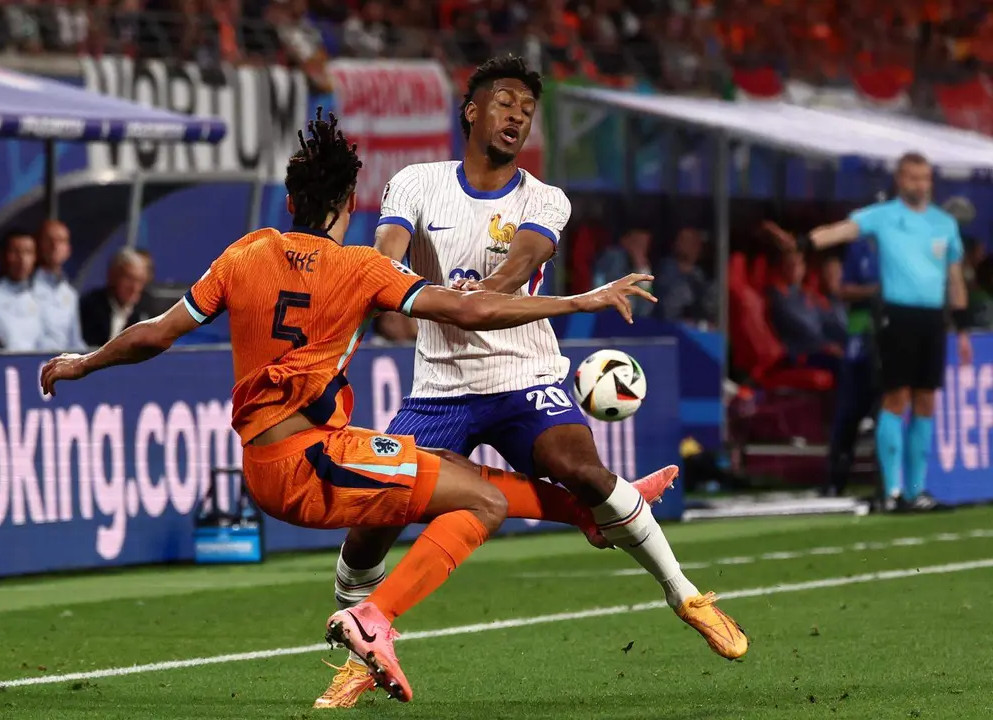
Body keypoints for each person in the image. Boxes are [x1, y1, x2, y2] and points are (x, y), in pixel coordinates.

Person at [40, 109, 672, 703]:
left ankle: (595, 512)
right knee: (484, 502)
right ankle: (373, 620)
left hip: (265, 465)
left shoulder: (246, 252)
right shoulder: (362, 268)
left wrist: (82, 363)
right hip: (314, 461)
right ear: (347, 206)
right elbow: (474, 309)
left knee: (476, 481)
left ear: (291, 202)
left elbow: (155, 332)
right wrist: (579, 302)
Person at [316, 55, 745, 708]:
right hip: (439, 389)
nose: (517, 115)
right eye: (505, 101)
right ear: (472, 110)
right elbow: (386, 259)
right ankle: (360, 648)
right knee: (372, 519)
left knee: (584, 472)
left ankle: (685, 595)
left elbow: (521, 264)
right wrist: (392, 285)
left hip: (526, 377)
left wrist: (473, 294)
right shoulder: (416, 183)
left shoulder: (544, 199)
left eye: (527, 108)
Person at [808, 152, 972, 511]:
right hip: (896, 317)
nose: (919, 184)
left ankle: (916, 490)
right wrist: (807, 242)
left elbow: (955, 279)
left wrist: (961, 329)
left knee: (926, 400)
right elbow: (845, 230)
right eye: (912, 177)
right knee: (896, 397)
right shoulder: (884, 216)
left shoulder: (944, 223)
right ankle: (893, 490)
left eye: (925, 177)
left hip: (933, 320)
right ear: (900, 179)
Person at [826, 236, 880, 497]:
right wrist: (876, 291)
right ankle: (836, 478)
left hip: (893, 334)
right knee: (850, 408)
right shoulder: (860, 248)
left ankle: (887, 481)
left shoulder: (908, 243)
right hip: (861, 337)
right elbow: (843, 289)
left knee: (888, 408)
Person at [79, 249, 164, 347]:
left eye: (140, 281)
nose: (135, 288)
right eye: (129, 279)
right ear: (112, 277)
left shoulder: (150, 309)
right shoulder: (89, 307)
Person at [32, 219, 86, 352]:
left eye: (61, 240)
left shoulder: (69, 294)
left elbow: (75, 341)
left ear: (68, 250)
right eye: (49, 240)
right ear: (38, 245)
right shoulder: (24, 286)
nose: (55, 246)